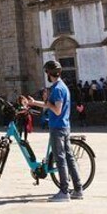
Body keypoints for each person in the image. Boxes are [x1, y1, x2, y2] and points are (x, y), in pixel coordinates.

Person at [28, 60, 84, 202]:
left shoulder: (58, 89)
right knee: (69, 158)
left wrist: (47, 102)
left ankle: (64, 191)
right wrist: (34, 102)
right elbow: (50, 106)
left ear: (49, 73)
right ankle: (78, 189)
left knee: (60, 159)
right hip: (64, 126)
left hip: (58, 127)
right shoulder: (61, 86)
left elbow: (57, 110)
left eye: (46, 72)